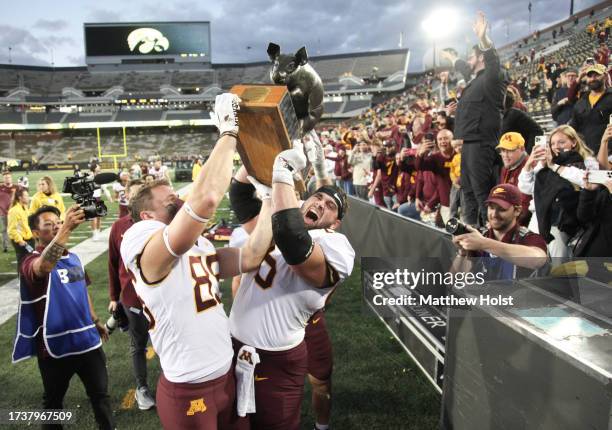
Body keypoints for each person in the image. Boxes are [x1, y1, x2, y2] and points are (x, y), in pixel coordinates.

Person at [120, 93, 271, 429]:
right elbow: (205, 200)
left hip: (226, 372)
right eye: (168, 198)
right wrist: (229, 131)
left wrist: (273, 194)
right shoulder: (140, 238)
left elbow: (252, 255)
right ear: (146, 215)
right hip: (189, 388)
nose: (176, 196)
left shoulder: (195, 245)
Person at [229, 129, 355, 430]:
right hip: (233, 346)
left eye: (330, 206)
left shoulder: (337, 246)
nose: (321, 204)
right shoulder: (278, 216)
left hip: (278, 357)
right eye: (318, 197)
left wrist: (282, 170)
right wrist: (263, 149)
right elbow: (240, 193)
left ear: (335, 223)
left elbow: (293, 241)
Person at [12, 205, 115, 430]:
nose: (56, 227)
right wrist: (67, 228)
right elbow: (44, 267)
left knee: (100, 396)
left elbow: (82, 290)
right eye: (48, 225)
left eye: (58, 222)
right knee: (53, 403)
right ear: (36, 233)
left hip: (87, 341)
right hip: (54, 346)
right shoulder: (30, 261)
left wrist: (95, 321)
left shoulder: (74, 257)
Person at [452, 12, 507, 227]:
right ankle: (471, 232)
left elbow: (492, 59)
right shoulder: (475, 82)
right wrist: (452, 59)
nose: (468, 62)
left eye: (471, 57)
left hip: (482, 142)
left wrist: (483, 39)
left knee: (481, 191)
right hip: (470, 142)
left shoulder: (493, 77)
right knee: (467, 189)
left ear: (481, 57)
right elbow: (466, 69)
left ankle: (492, 237)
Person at [107, 179, 155, 410]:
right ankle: (142, 387)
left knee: (165, 340)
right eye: (132, 194)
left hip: (158, 295)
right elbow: (113, 263)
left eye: (140, 195)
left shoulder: (157, 221)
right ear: (127, 196)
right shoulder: (119, 226)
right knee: (138, 344)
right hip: (132, 297)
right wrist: (113, 297)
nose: (135, 199)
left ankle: (174, 382)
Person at [518, 125, 598, 258]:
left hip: (563, 224)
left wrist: (554, 167)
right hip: (539, 220)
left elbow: (584, 180)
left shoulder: (586, 162)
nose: (556, 146)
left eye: (561, 142)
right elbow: (526, 188)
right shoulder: (546, 164)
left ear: (573, 142)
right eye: (552, 143)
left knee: (557, 260)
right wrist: (529, 163)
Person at [452, 184, 548, 280]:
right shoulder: (480, 235)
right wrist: (462, 253)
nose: (494, 214)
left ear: (517, 211)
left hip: (516, 294)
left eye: (501, 209)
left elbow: (538, 260)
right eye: (491, 207)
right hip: (483, 294)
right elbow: (453, 281)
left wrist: (484, 244)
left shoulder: (529, 238)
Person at [569, 63, 612, 155]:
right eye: (589, 76)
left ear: (604, 76)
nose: (593, 79)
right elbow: (574, 127)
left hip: (609, 152)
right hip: (587, 153)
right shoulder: (581, 101)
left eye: (597, 75)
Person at [414, 129, 454, 224]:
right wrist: (421, 154)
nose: (443, 142)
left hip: (464, 203)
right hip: (447, 205)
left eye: (446, 139)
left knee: (466, 235)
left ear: (453, 140)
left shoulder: (460, 155)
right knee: (455, 234)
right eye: (440, 139)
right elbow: (420, 167)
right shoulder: (435, 158)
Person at [496, 132, 532, 226]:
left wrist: (508, 224)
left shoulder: (530, 166)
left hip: (525, 223)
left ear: (522, 149)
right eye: (502, 150)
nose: (505, 155)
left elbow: (525, 204)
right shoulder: (506, 167)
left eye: (509, 150)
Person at [501, 88, 543, 153]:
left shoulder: (514, 114)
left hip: (519, 158)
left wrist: (530, 154)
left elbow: (539, 132)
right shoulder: (496, 117)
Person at [7, 188, 34, 270]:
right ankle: (22, 281)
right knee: (23, 263)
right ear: (20, 197)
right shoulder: (14, 211)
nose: (28, 197)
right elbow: (11, 230)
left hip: (28, 239)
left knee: (30, 262)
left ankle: (28, 280)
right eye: (26, 195)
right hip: (21, 241)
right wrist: (20, 241)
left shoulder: (25, 208)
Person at [0, 170, 19, 252]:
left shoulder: (16, 187)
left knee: (17, 228)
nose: (7, 179)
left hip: (15, 213)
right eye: (5, 178)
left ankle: (18, 244)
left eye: (8, 177)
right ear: (3, 179)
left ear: (11, 178)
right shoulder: (0, 188)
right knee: (5, 230)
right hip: (4, 213)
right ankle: (5, 246)